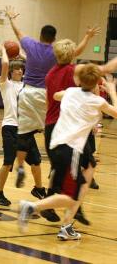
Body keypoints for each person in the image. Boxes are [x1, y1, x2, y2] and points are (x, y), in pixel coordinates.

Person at [18, 63, 117, 241]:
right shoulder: (98, 101)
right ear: (96, 84)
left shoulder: (70, 92)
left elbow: (56, 95)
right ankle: (32, 207)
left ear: (78, 80)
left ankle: (66, 226)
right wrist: (112, 91)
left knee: (88, 169)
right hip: (70, 150)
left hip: (56, 145)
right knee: (71, 198)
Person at [44, 35, 100, 224]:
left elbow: (47, 100)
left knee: (59, 168)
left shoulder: (50, 73)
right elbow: (93, 77)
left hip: (51, 125)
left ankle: (52, 204)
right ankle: (74, 207)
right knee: (88, 165)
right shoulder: (74, 71)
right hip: (69, 127)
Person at [5, 6, 57, 188]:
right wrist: (87, 37)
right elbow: (76, 52)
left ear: (40, 35)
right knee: (50, 131)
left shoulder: (31, 45)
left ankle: (20, 166)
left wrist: (12, 18)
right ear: (53, 39)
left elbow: (18, 33)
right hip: (45, 95)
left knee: (24, 133)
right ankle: (55, 165)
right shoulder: (56, 52)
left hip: (27, 93)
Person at [0, 46, 46, 206]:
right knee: (8, 162)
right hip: (10, 127)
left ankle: (38, 188)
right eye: (16, 69)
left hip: (26, 129)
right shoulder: (5, 84)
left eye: (21, 69)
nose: (20, 71)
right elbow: (4, 65)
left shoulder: (27, 86)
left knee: (36, 162)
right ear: (11, 72)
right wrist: (4, 50)